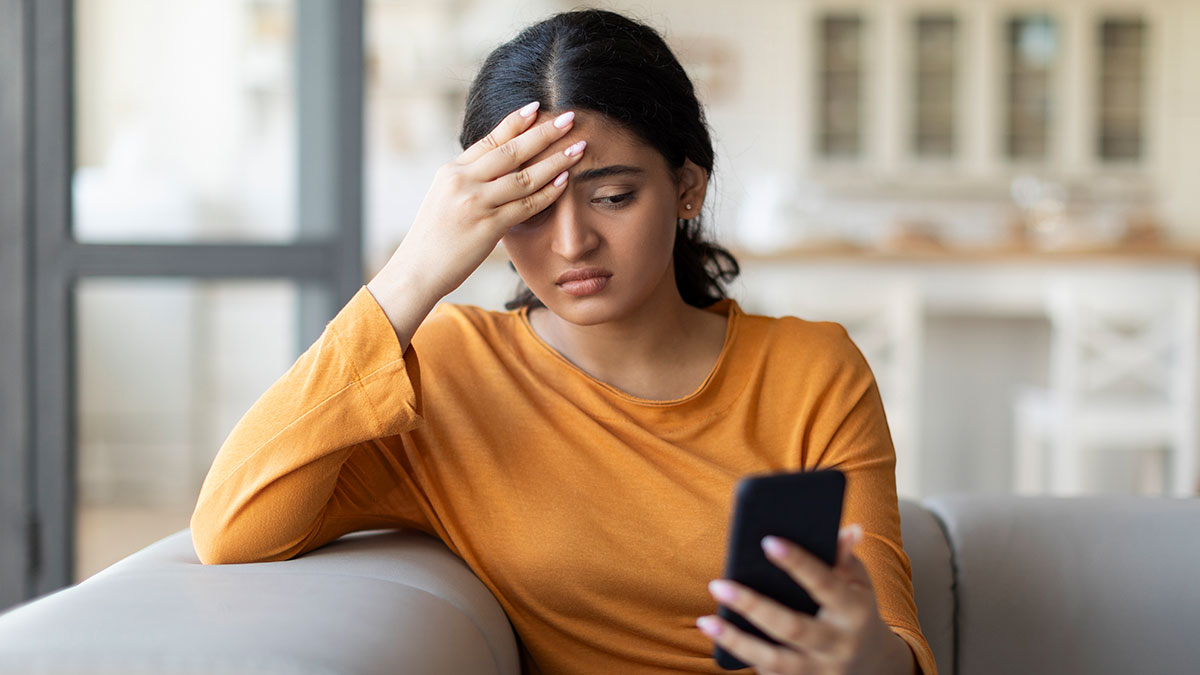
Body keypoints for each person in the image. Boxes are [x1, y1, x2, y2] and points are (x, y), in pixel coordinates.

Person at [190, 8, 936, 675]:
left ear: (687, 187)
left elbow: (893, 633)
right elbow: (232, 525)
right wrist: (411, 272)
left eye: (613, 197)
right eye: (530, 208)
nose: (573, 242)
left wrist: (867, 656)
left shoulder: (812, 370)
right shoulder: (453, 373)